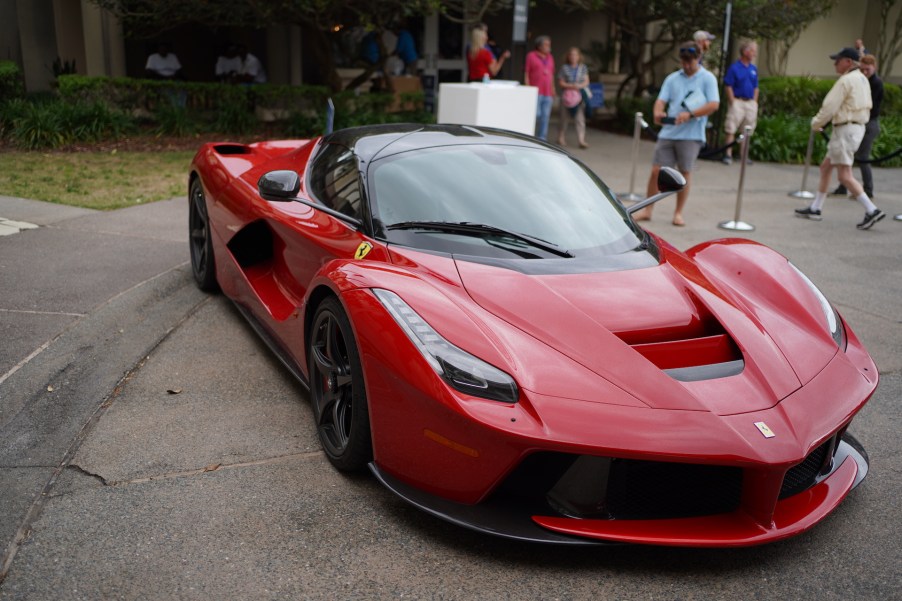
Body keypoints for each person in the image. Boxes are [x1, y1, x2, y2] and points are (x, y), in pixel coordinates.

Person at [795, 47, 884, 230]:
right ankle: (816, 208)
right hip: (854, 128)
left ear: (848, 62)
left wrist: (815, 123)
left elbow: (829, 106)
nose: (835, 63)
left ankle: (872, 209)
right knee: (826, 167)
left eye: (839, 60)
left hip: (845, 129)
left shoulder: (847, 80)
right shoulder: (862, 79)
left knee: (844, 175)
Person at [633, 42, 719, 226]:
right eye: (684, 61)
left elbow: (714, 104)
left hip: (691, 134)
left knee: (685, 172)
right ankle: (648, 210)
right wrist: (657, 113)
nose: (687, 65)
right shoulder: (673, 78)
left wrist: (691, 114)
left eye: (690, 61)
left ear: (698, 58)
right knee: (656, 170)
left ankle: (678, 213)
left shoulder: (707, 78)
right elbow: (661, 100)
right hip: (669, 131)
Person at [830, 53, 883, 199]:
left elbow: (872, 108)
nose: (865, 72)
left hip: (868, 123)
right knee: (847, 157)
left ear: (874, 68)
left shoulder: (876, 83)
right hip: (859, 122)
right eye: (863, 69)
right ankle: (844, 187)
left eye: (868, 69)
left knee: (863, 157)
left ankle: (868, 189)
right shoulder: (861, 80)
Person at [722, 40, 759, 165]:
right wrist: (732, 101)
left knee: (747, 130)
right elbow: (728, 85)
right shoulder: (734, 68)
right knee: (731, 128)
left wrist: (754, 101)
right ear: (745, 51)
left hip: (750, 103)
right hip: (737, 101)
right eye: (753, 50)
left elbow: (756, 87)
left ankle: (743, 156)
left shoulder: (754, 69)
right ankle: (728, 154)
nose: (755, 53)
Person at [556, 47, 590, 149]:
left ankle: (581, 140)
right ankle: (561, 137)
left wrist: (579, 86)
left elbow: (586, 81)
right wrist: (571, 86)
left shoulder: (583, 67)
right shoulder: (564, 68)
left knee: (580, 118)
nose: (573, 57)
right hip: (567, 97)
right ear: (568, 56)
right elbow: (561, 82)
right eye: (571, 55)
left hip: (579, 97)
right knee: (564, 118)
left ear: (579, 56)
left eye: (575, 55)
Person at [524, 35, 555, 141]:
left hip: (547, 92)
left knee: (545, 117)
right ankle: (530, 136)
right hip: (535, 91)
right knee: (536, 115)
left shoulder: (550, 57)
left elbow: (551, 74)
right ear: (539, 46)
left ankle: (542, 139)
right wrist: (527, 87)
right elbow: (526, 72)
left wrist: (553, 88)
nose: (549, 46)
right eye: (546, 44)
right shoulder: (531, 56)